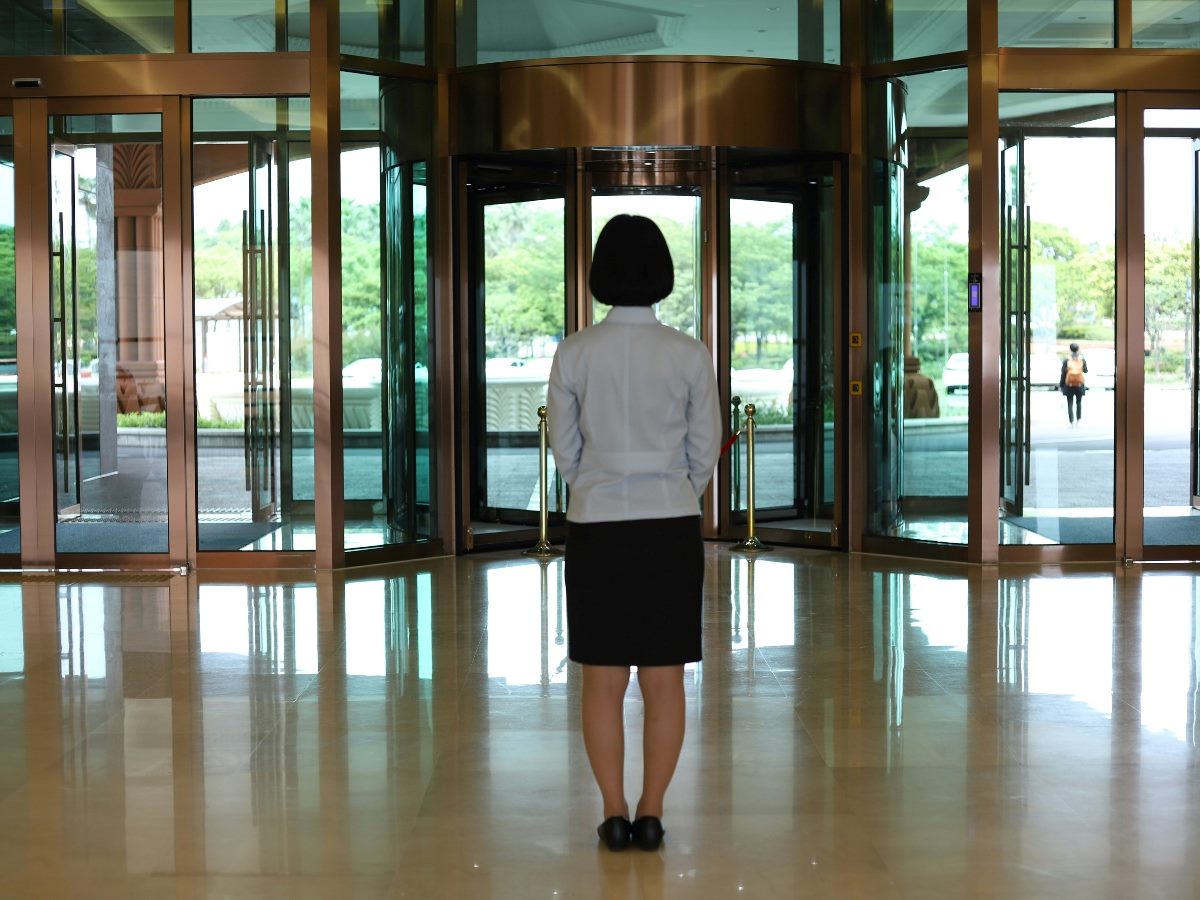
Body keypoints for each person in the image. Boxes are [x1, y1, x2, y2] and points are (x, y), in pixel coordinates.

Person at [547, 215, 721, 853]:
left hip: (597, 527)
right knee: (664, 677)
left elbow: (563, 446)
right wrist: (677, 490)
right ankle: (652, 813)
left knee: (602, 678)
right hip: (669, 524)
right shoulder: (687, 352)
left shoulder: (575, 351)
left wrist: (591, 483)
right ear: (661, 274)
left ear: (599, 273)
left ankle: (613, 812)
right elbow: (704, 449)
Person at [1059, 342, 1088, 426]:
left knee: (1070, 403)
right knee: (1078, 402)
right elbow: (1086, 371)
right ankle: (1078, 420)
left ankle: (1071, 421)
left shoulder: (1067, 360)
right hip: (1079, 384)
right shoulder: (1082, 359)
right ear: (1078, 349)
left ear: (1070, 349)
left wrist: (1061, 385)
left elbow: (1063, 374)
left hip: (1069, 385)